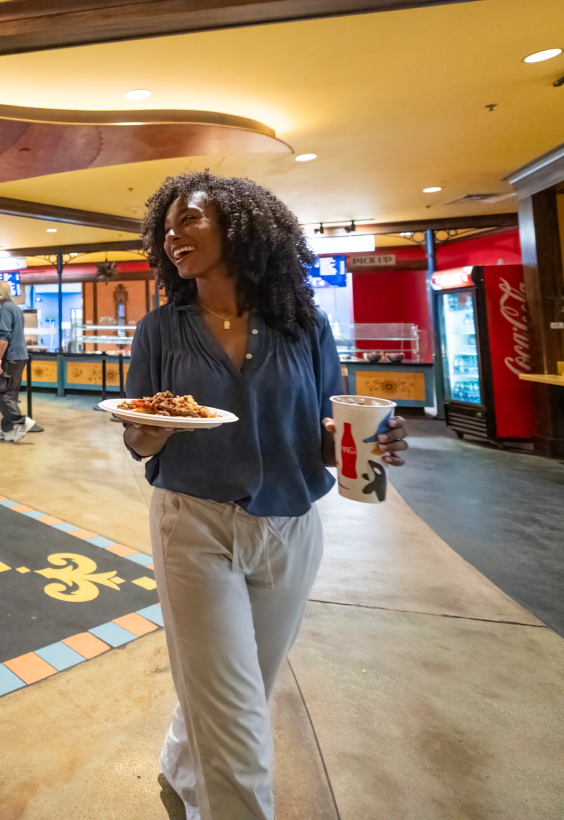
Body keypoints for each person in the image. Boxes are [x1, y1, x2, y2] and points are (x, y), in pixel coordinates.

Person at [123, 171, 409, 820]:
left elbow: (326, 432)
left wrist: (373, 442)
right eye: (165, 228)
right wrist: (151, 429)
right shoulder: (159, 330)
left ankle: (179, 762)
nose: (172, 236)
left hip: (290, 526)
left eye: (188, 219)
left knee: (247, 681)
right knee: (233, 710)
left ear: (238, 226)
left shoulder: (303, 325)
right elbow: (139, 439)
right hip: (192, 523)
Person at [0, 281, 33, 442]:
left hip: (10, 357)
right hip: (19, 356)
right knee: (10, 393)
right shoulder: (15, 308)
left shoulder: (6, 309)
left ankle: (21, 421)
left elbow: (4, 335)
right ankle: (7, 430)